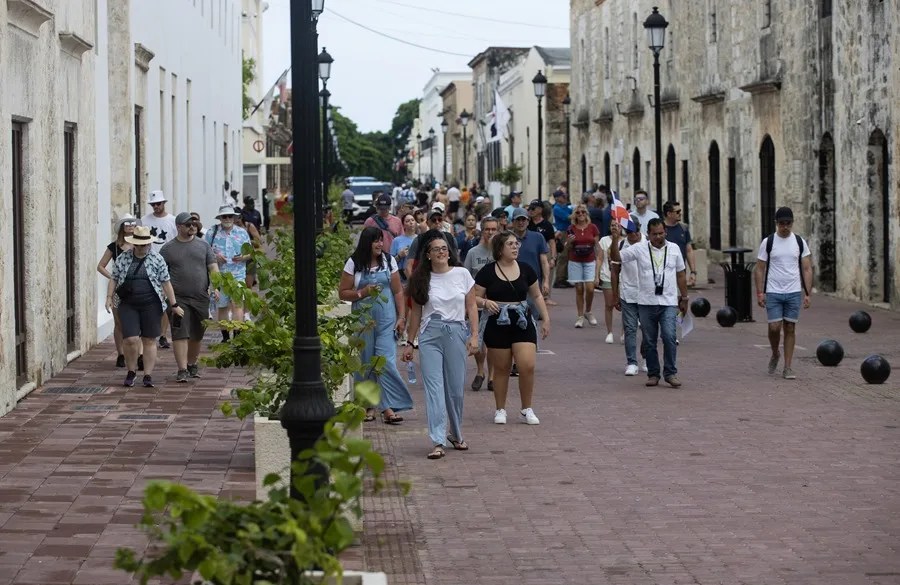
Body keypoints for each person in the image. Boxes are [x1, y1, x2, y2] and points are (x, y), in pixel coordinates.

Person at [402, 230, 479, 459]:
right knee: (434, 388)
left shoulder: (462, 274)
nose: (441, 252)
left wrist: (474, 335)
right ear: (427, 254)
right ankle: (437, 440)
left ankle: (455, 434)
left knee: (455, 389)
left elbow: (472, 306)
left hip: (455, 332)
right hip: (429, 335)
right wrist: (409, 342)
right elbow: (416, 312)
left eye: (444, 248)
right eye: (436, 249)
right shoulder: (420, 278)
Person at [472, 231, 550, 425]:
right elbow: (473, 297)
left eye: (517, 244)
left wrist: (546, 318)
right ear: (500, 248)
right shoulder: (487, 271)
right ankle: (500, 409)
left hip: (522, 319)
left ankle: (526, 408)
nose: (515, 247)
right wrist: (485, 302)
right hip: (497, 322)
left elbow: (537, 295)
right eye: (510, 244)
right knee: (501, 368)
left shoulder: (526, 269)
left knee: (527, 365)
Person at [339, 227, 413, 424]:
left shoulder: (389, 261)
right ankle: (369, 405)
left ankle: (389, 406)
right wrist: (362, 293)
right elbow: (343, 292)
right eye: (376, 241)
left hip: (387, 319)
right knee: (366, 362)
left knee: (385, 361)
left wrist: (401, 317)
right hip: (362, 321)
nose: (380, 244)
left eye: (381, 240)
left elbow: (398, 291)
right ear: (366, 243)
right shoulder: (353, 263)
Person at [609, 218, 688, 388]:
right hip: (646, 302)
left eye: (661, 233)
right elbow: (616, 257)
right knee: (650, 340)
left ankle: (670, 372)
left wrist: (685, 297)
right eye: (655, 234)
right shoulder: (639, 249)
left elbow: (681, 274)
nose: (658, 237)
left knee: (669, 336)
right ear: (648, 234)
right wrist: (615, 238)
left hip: (668, 301)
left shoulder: (674, 249)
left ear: (665, 232)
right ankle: (653, 373)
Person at [105, 225, 184, 388]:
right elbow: (114, 277)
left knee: (148, 339)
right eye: (138, 244)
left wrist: (174, 304)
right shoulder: (124, 258)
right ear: (134, 243)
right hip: (128, 304)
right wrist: (109, 297)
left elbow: (166, 283)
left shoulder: (156, 259)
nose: (141, 247)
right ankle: (131, 370)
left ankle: (147, 375)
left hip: (151, 304)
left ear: (149, 244)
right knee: (130, 339)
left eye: (144, 244)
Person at [753, 207, 813, 380]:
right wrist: (759, 292)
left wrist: (808, 293)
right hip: (773, 291)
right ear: (776, 224)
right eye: (781, 223)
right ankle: (775, 352)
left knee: (790, 327)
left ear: (792, 223)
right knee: (774, 327)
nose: (785, 227)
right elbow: (759, 269)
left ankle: (788, 367)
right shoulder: (768, 242)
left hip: (793, 291)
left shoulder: (799, 242)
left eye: (788, 223)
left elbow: (807, 268)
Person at [160, 213, 220, 382]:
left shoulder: (204, 245)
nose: (192, 227)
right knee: (180, 333)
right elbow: (161, 274)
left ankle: (192, 364)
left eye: (194, 224)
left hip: (201, 298)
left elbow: (213, 267)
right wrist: (164, 295)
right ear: (178, 227)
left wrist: (216, 286)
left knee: (197, 334)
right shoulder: (168, 249)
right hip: (178, 299)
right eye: (188, 225)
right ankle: (182, 369)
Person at [463, 216, 499, 392]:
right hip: (476, 303)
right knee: (478, 342)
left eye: (494, 229)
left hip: (496, 304)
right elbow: (466, 278)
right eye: (487, 229)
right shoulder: (473, 253)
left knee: (493, 343)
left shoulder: (500, 253)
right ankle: (480, 371)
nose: (490, 233)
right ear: (482, 230)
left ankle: (492, 376)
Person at [205, 205, 251, 339]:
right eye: (224, 216)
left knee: (238, 304)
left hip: (238, 275)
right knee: (222, 306)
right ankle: (225, 337)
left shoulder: (242, 233)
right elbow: (205, 252)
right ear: (220, 218)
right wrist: (216, 257)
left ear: (234, 217)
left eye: (230, 216)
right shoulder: (212, 232)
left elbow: (250, 253)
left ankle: (237, 335)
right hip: (219, 274)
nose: (227, 219)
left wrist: (243, 257)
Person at [97, 216, 138, 368]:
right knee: (119, 322)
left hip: (136, 287)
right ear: (122, 227)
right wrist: (113, 277)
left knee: (136, 321)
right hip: (118, 290)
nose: (130, 226)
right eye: (127, 224)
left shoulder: (139, 245)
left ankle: (137, 354)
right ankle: (121, 354)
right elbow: (100, 265)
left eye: (133, 224)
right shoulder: (114, 246)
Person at [610, 216, 648, 375]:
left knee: (648, 329)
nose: (633, 234)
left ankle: (646, 359)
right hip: (628, 292)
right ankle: (631, 362)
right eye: (630, 231)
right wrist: (615, 295)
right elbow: (614, 270)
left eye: (635, 231)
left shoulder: (648, 243)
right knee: (630, 328)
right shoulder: (621, 245)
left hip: (648, 293)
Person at [141, 190, 178, 349]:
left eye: (158, 203)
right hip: (148, 263)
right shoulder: (144, 220)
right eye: (153, 204)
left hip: (167, 263)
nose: (156, 206)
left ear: (164, 203)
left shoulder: (173, 221)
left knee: (166, 301)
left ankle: (163, 334)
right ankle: (150, 331)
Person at [565, 204, 601, 329]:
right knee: (579, 289)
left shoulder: (593, 227)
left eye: (583, 212)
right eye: (578, 213)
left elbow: (597, 247)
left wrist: (598, 267)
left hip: (589, 260)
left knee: (590, 288)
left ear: (587, 214)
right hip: (575, 260)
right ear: (575, 215)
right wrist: (569, 242)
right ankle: (580, 316)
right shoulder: (571, 228)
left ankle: (588, 311)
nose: (581, 214)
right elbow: (568, 248)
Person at [509, 208, 551, 309]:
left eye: (523, 220)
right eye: (518, 220)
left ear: (528, 221)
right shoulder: (506, 238)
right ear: (513, 222)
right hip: (512, 283)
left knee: (533, 316)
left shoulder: (538, 237)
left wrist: (546, 281)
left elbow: (544, 262)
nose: (521, 222)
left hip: (533, 283)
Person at [404, 205, 459, 280]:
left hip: (447, 278)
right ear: (427, 223)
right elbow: (408, 267)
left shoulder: (450, 238)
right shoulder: (419, 240)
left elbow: (457, 262)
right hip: (425, 279)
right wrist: (414, 286)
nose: (437, 222)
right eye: (433, 220)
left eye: (439, 219)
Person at [528, 200, 558, 307]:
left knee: (547, 274)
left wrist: (553, 258)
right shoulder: (527, 223)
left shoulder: (547, 225)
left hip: (544, 252)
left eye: (533, 209)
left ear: (540, 210)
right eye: (529, 209)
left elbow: (552, 242)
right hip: (531, 252)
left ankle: (546, 297)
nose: (530, 211)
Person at [662, 200, 697, 287]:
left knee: (682, 299)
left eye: (680, 211)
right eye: (677, 212)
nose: (680, 213)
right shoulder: (660, 230)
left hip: (680, 274)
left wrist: (693, 272)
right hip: (663, 275)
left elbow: (689, 250)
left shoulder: (684, 229)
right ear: (669, 214)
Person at [552, 190, 574, 288]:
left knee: (567, 255)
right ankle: (559, 279)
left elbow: (571, 212)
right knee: (563, 256)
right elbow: (569, 217)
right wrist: (578, 212)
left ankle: (564, 278)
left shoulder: (564, 206)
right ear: (557, 198)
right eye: (562, 196)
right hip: (562, 232)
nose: (564, 198)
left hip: (567, 231)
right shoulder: (556, 208)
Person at [390, 212, 417, 284]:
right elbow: (390, 263)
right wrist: (399, 256)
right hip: (402, 278)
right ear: (403, 225)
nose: (411, 222)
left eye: (412, 220)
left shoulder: (420, 239)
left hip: (417, 275)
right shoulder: (397, 241)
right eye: (407, 221)